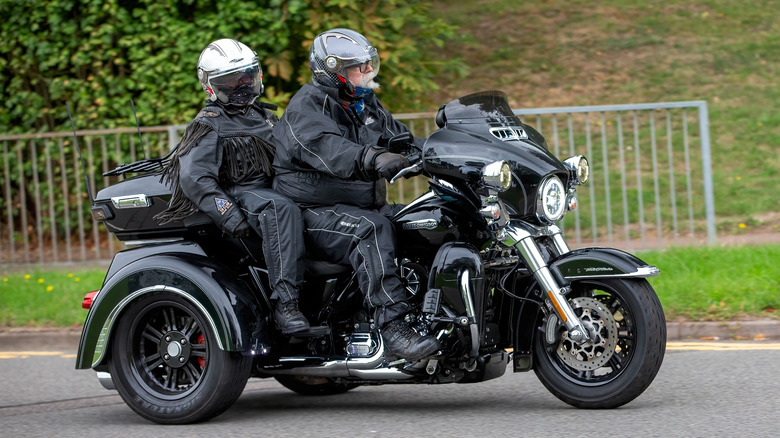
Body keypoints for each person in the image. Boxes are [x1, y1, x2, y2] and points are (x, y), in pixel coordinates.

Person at [271, 28, 440, 361]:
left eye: (368, 64)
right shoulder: (304, 110)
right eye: (357, 67)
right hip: (312, 211)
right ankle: (393, 328)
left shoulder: (364, 103)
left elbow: (400, 140)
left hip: (359, 203)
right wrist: (373, 158)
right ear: (332, 72)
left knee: (428, 218)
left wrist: (447, 153)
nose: (367, 71)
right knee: (371, 229)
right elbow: (331, 149)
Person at [155, 38, 310, 335]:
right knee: (279, 208)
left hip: (274, 187)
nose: (241, 86)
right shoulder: (209, 124)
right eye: (230, 81)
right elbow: (194, 177)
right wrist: (230, 215)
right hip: (242, 193)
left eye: (246, 77)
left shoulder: (265, 116)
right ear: (211, 85)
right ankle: (285, 304)